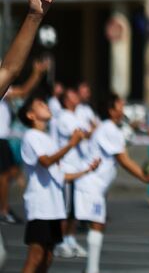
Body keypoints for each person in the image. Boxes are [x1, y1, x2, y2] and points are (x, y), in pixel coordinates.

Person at [72, 92, 149, 273]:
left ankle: (91, 268)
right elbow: (124, 160)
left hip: (94, 185)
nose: (123, 109)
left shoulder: (111, 128)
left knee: (97, 224)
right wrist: (146, 178)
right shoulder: (109, 129)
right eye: (120, 106)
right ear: (111, 110)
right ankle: (92, 269)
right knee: (96, 224)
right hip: (90, 184)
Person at [18, 94, 99, 273]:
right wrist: (71, 144)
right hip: (39, 206)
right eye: (40, 104)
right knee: (36, 255)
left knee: (48, 256)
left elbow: (61, 176)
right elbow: (45, 161)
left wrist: (87, 170)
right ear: (31, 115)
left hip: (54, 208)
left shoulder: (48, 139)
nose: (46, 105)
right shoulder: (31, 136)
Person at [51, 84, 97, 259]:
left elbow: (87, 131)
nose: (77, 97)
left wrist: (90, 131)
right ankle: (59, 242)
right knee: (66, 209)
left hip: (78, 167)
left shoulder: (77, 115)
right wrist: (90, 131)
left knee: (76, 210)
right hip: (66, 167)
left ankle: (70, 239)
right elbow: (80, 135)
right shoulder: (64, 117)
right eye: (73, 95)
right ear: (67, 101)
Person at [0, 59, 49, 222]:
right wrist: (36, 74)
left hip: (3, 137)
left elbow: (22, 91)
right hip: (0, 138)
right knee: (5, 175)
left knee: (9, 173)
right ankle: (3, 210)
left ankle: (4, 208)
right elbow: (22, 92)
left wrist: (37, 74)